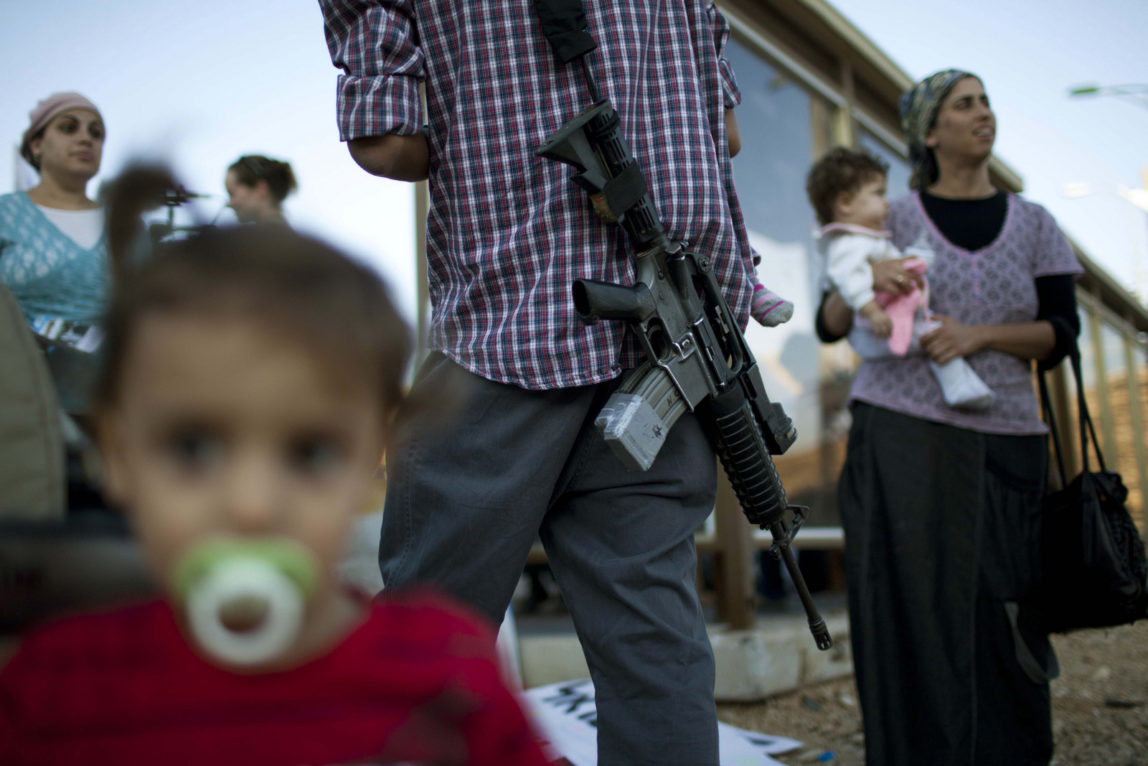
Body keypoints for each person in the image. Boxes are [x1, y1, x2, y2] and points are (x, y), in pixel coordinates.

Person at [320, 3, 764, 763]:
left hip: (513, 320)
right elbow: (725, 134)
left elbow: (389, 142)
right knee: (655, 649)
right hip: (667, 332)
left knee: (427, 642)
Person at [0, 168, 551, 766]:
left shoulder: (445, 673)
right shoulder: (56, 687)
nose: (252, 505)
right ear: (118, 454)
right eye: (193, 448)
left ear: (372, 463)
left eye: (311, 452)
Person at [816, 70, 1083, 765]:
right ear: (930, 132)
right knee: (905, 613)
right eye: (964, 104)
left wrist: (979, 335)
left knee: (1008, 609)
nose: (982, 113)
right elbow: (829, 320)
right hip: (901, 433)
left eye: (987, 101)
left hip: (1009, 439)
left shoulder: (1036, 224)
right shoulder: (890, 215)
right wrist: (863, 279)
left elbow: (1061, 334)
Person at [806, 146, 993, 409]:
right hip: (872, 329)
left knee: (932, 334)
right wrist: (872, 311)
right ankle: (960, 388)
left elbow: (891, 263)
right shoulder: (846, 244)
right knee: (934, 335)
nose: (886, 201)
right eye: (878, 193)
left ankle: (961, 386)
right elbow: (851, 280)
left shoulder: (867, 238)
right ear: (845, 203)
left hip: (879, 324)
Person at [0, 92, 108, 352]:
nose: (85, 138)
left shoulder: (126, 226)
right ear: (36, 145)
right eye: (68, 128)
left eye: (96, 134)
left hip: (108, 387)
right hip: (17, 385)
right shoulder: (6, 214)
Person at [224, 154, 296, 224]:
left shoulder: (261, 235)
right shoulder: (286, 234)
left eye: (232, 194)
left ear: (261, 188)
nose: (229, 204)